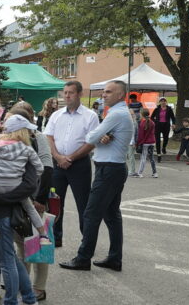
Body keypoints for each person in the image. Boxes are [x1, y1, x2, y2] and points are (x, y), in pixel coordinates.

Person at [59, 80, 133, 272]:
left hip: (109, 170)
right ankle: (115, 258)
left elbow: (90, 137)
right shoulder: (119, 113)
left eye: (109, 92)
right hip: (113, 168)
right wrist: (102, 135)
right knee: (112, 215)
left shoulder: (116, 114)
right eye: (104, 91)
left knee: (91, 214)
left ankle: (83, 258)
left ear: (120, 95)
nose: (103, 94)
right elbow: (97, 136)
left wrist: (98, 134)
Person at [44, 81, 99, 248]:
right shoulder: (56, 115)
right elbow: (49, 137)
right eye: (65, 93)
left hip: (79, 165)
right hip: (57, 164)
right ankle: (56, 237)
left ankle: (87, 242)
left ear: (80, 94)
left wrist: (71, 158)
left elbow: (92, 142)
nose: (67, 96)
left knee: (84, 204)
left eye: (71, 93)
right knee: (54, 203)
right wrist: (57, 156)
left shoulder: (90, 116)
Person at [0, 115, 50, 244]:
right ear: (22, 132)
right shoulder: (27, 149)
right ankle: (43, 235)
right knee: (30, 208)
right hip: (16, 186)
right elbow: (40, 168)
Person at [10, 104, 53, 301]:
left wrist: (41, 200)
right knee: (21, 244)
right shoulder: (12, 138)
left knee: (38, 244)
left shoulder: (38, 138)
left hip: (36, 199)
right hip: (18, 198)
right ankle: (23, 282)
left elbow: (47, 168)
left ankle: (39, 286)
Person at [132, 109, 157, 178]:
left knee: (143, 157)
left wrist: (138, 143)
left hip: (145, 143)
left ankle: (140, 173)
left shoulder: (142, 123)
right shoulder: (152, 122)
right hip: (152, 142)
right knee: (151, 157)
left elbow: (141, 135)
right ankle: (155, 173)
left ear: (142, 114)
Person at [152, 97, 175, 162]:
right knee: (158, 140)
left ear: (166, 102)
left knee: (166, 138)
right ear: (160, 102)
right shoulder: (157, 109)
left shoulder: (169, 109)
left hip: (166, 125)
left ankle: (164, 147)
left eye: (164, 101)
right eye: (162, 101)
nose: (163, 102)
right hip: (158, 126)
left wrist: (173, 123)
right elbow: (152, 117)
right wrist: (155, 121)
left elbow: (173, 117)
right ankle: (159, 155)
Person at [126, 109, 138, 175]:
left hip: (131, 142)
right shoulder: (127, 122)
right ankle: (129, 170)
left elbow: (135, 134)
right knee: (127, 156)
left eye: (132, 114)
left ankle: (132, 171)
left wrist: (135, 142)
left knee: (131, 157)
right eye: (130, 114)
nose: (131, 115)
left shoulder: (134, 123)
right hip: (126, 142)